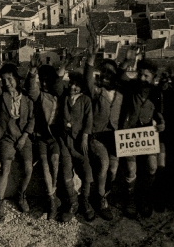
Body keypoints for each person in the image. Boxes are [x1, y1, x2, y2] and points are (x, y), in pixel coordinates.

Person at [25, 53, 79, 222]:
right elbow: (32, 89)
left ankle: (57, 198)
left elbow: (57, 84)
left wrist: (62, 69)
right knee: (44, 165)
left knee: (55, 164)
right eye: (43, 80)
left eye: (48, 79)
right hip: (42, 137)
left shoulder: (60, 94)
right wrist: (33, 71)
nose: (45, 83)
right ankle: (52, 200)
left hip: (57, 138)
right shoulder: (40, 94)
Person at [0, 58, 35, 223]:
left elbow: (31, 119)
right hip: (6, 138)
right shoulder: (2, 95)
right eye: (4, 79)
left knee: (28, 168)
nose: (7, 82)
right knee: (5, 168)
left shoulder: (26, 98)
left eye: (10, 79)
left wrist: (24, 137)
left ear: (17, 79)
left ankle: (21, 195)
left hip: (23, 137)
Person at [119, 57, 165, 218]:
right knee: (131, 169)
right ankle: (130, 199)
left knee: (152, 166)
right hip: (129, 134)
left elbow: (160, 115)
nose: (142, 78)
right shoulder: (131, 86)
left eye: (146, 76)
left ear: (153, 77)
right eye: (140, 74)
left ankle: (144, 198)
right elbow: (120, 74)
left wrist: (161, 124)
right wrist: (127, 59)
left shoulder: (157, 93)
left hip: (147, 135)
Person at [84, 38, 123, 221]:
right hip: (97, 136)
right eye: (104, 72)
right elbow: (88, 80)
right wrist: (91, 60)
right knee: (104, 165)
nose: (106, 75)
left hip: (114, 137)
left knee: (114, 169)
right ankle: (100, 200)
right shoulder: (97, 92)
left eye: (110, 73)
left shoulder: (121, 94)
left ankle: (105, 193)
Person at [63, 71, 94, 221]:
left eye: (77, 85)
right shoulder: (65, 98)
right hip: (66, 141)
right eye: (71, 83)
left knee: (86, 170)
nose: (73, 87)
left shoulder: (85, 100)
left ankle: (85, 200)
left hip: (80, 140)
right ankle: (73, 201)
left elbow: (89, 119)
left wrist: (85, 137)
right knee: (66, 171)